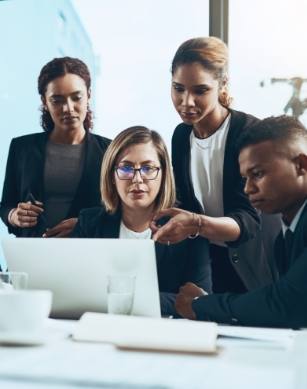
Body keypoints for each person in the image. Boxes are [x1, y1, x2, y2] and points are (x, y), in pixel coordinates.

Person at [150, 37, 281, 294]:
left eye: (200, 91)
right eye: (178, 88)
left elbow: (248, 222)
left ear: (222, 84)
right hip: (208, 261)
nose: (186, 102)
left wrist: (195, 224)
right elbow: (185, 204)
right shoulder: (181, 136)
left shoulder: (249, 133)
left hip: (253, 264)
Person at [174, 115, 307, 328]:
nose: (248, 189)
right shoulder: (287, 233)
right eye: (245, 178)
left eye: (258, 174)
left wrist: (201, 304)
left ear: (301, 164)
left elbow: (287, 302)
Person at [72, 126, 212, 316]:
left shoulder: (189, 228)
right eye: (126, 168)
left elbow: (200, 301)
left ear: (163, 175)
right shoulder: (89, 223)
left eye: (148, 168)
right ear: (112, 176)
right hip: (103, 331)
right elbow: (76, 292)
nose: (137, 179)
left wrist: (123, 298)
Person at [0, 57, 111, 238]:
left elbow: (122, 212)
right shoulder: (21, 148)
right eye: (57, 100)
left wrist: (83, 224)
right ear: (44, 102)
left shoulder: (110, 151)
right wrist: (13, 216)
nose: (68, 108)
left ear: (89, 95)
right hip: (31, 254)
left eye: (76, 98)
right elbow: (6, 204)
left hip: (86, 256)